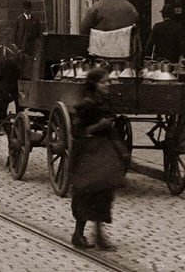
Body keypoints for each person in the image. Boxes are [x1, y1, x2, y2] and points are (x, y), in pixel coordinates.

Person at [69, 66, 130, 250]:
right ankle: (78, 234)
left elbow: (112, 131)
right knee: (87, 193)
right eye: (104, 82)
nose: (108, 84)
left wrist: (122, 150)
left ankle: (99, 234)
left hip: (102, 152)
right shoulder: (87, 104)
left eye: (109, 81)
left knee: (104, 192)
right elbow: (77, 131)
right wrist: (99, 126)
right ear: (94, 85)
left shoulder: (105, 102)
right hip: (87, 153)